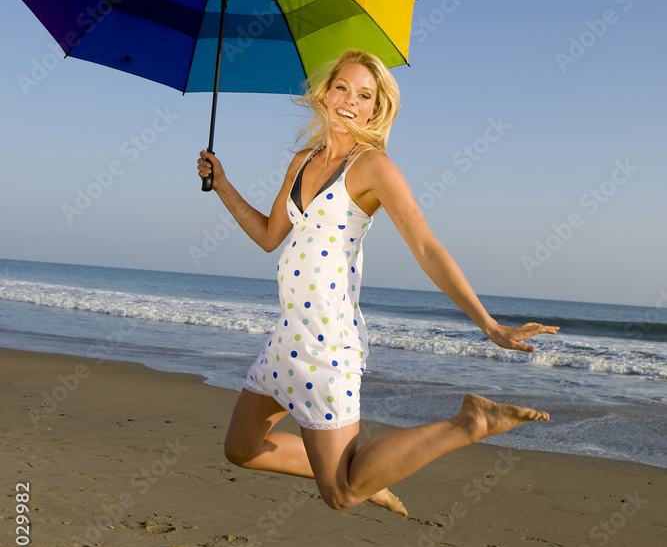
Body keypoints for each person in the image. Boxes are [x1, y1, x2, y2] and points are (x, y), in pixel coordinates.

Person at [197, 49, 558, 516]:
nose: (350, 100)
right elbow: (270, 236)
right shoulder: (303, 161)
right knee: (241, 448)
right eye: (342, 88)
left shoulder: (372, 167)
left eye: (363, 95)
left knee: (341, 494)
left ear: (375, 108)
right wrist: (222, 183)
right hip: (286, 339)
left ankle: (469, 422)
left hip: (328, 345)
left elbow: (427, 248)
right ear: (325, 94)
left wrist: (489, 325)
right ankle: (366, 475)